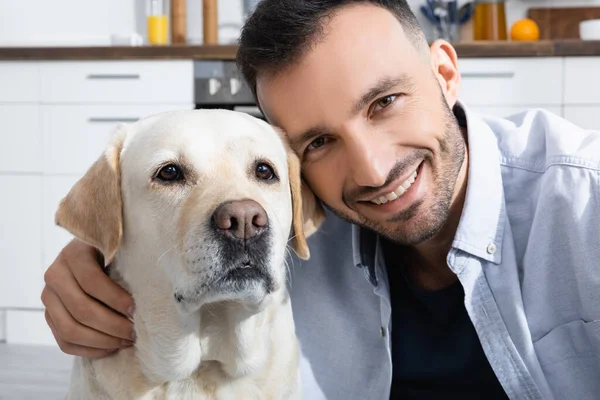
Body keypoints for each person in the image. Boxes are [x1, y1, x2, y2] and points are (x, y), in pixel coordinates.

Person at [41, 1, 600, 399]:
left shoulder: (583, 204)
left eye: (385, 102)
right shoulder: (294, 229)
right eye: (319, 141)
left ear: (445, 74)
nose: (372, 170)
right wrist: (93, 257)